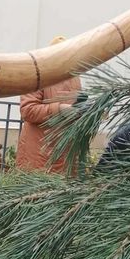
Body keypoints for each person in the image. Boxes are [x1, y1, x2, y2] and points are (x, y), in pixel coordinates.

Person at [15, 36, 82, 173]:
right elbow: (28, 110)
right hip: (39, 153)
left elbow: (76, 106)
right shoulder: (37, 75)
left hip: (65, 153)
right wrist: (59, 109)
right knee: (35, 193)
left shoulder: (74, 77)